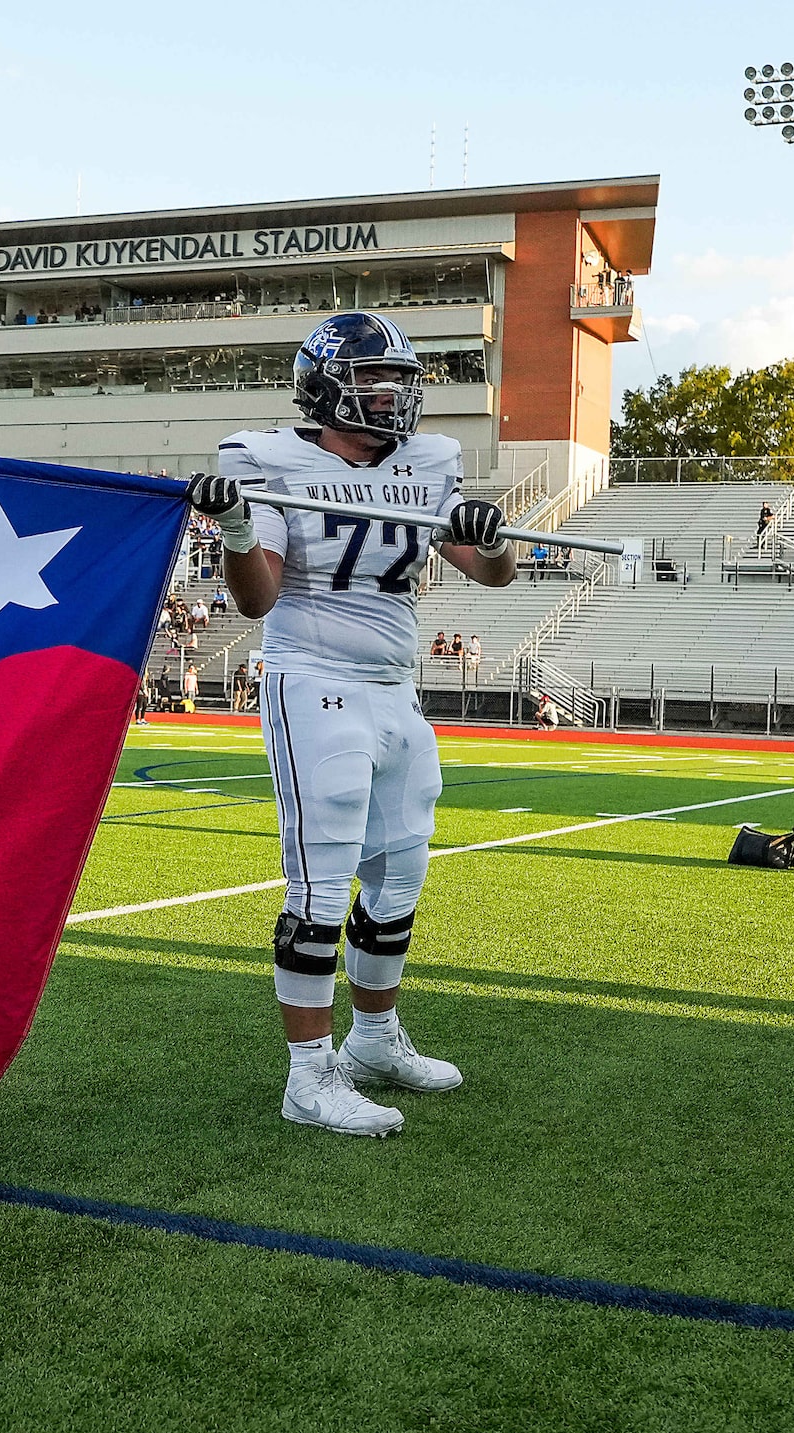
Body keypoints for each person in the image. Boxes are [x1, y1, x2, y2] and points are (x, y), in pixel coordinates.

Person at [184, 311, 516, 1137]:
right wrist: (231, 529)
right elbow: (256, 599)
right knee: (322, 886)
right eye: (374, 380)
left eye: (399, 383)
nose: (390, 397)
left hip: (397, 687)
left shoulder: (432, 461)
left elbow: (493, 575)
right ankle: (308, 1076)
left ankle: (374, 1041)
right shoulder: (263, 457)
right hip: (314, 680)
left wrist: (492, 534)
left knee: (399, 876)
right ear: (326, 387)